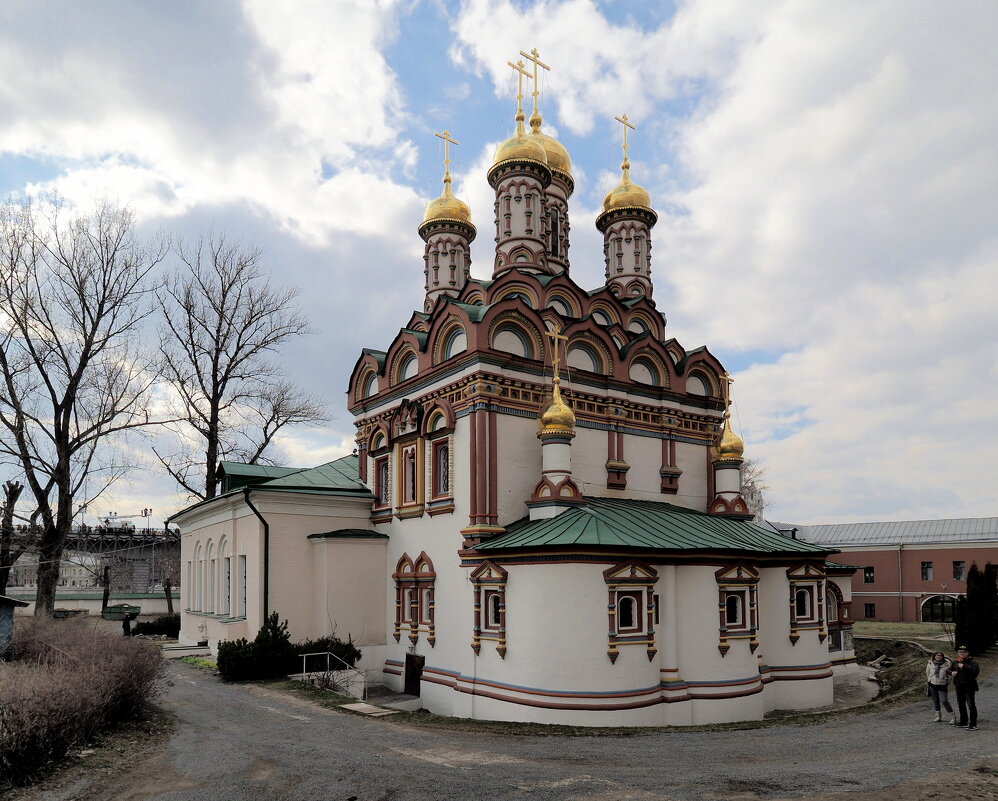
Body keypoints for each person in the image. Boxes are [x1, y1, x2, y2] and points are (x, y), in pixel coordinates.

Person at [950, 646, 980, 730]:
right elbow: (948, 669)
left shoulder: (972, 662)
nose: (962, 653)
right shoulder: (956, 662)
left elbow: (975, 672)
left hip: (969, 686)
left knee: (971, 705)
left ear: (967, 653)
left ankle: (973, 724)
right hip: (959, 686)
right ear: (958, 653)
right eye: (960, 652)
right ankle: (963, 721)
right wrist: (951, 672)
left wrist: (964, 667)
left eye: (964, 652)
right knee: (961, 704)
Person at [926, 651, 955, 723]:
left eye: (940, 656)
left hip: (942, 686)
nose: (938, 657)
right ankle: (938, 716)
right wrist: (929, 680)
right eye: (937, 655)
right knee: (935, 701)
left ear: (942, 657)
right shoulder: (930, 664)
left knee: (944, 701)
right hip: (932, 685)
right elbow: (927, 672)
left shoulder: (946, 665)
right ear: (934, 656)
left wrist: (946, 683)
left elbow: (950, 676)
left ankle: (953, 716)